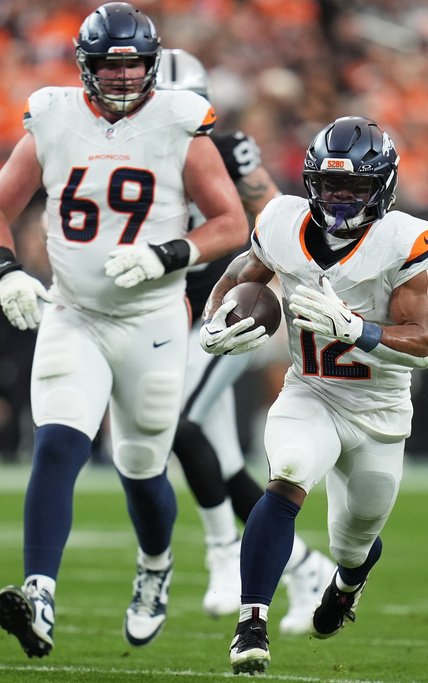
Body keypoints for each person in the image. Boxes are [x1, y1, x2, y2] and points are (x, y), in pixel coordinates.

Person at [0, 2, 248, 658]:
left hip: (153, 322)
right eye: (110, 65)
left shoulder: (180, 121)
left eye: (134, 65)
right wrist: (6, 271)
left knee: (141, 469)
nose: (123, 77)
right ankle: (39, 592)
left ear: (152, 65)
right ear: (85, 66)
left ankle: (155, 567)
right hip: (75, 314)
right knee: (56, 444)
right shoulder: (54, 117)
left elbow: (231, 222)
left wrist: (167, 254)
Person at [198, 116, 428, 674]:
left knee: (353, 541)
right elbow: (242, 273)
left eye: (355, 187)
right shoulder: (282, 222)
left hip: (378, 411)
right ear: (312, 181)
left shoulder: (402, 241)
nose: (341, 198)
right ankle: (251, 623)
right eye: (332, 185)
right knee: (287, 473)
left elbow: (425, 343)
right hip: (310, 392)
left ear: (382, 187)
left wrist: (357, 330)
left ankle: (347, 584)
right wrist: (213, 320)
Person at [155, 48, 336, 629]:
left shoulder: (228, 150)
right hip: (163, 320)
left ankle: (223, 552)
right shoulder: (125, 156)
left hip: (221, 314)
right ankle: (307, 568)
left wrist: (285, 283)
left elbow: (281, 217)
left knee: (176, 424)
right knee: (224, 465)